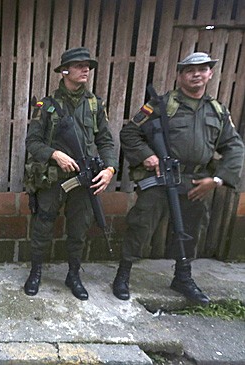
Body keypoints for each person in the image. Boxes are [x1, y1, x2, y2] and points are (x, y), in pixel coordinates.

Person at [113, 52, 244, 305]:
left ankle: (183, 277)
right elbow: (130, 133)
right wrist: (147, 156)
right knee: (141, 224)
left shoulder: (217, 111)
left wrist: (216, 180)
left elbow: (235, 147)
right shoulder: (161, 105)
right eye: (189, 70)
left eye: (202, 69)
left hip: (195, 181)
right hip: (160, 178)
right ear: (180, 75)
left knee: (190, 231)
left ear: (210, 74)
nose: (196, 74)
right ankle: (123, 273)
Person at [24, 47, 117, 300]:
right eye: (78, 65)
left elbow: (106, 141)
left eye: (87, 65)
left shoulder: (95, 105)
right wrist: (55, 154)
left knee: (79, 229)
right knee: (43, 225)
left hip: (85, 179)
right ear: (64, 71)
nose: (85, 69)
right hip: (53, 179)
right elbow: (32, 142)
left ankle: (73, 274)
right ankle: (35, 272)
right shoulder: (46, 106)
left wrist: (110, 169)